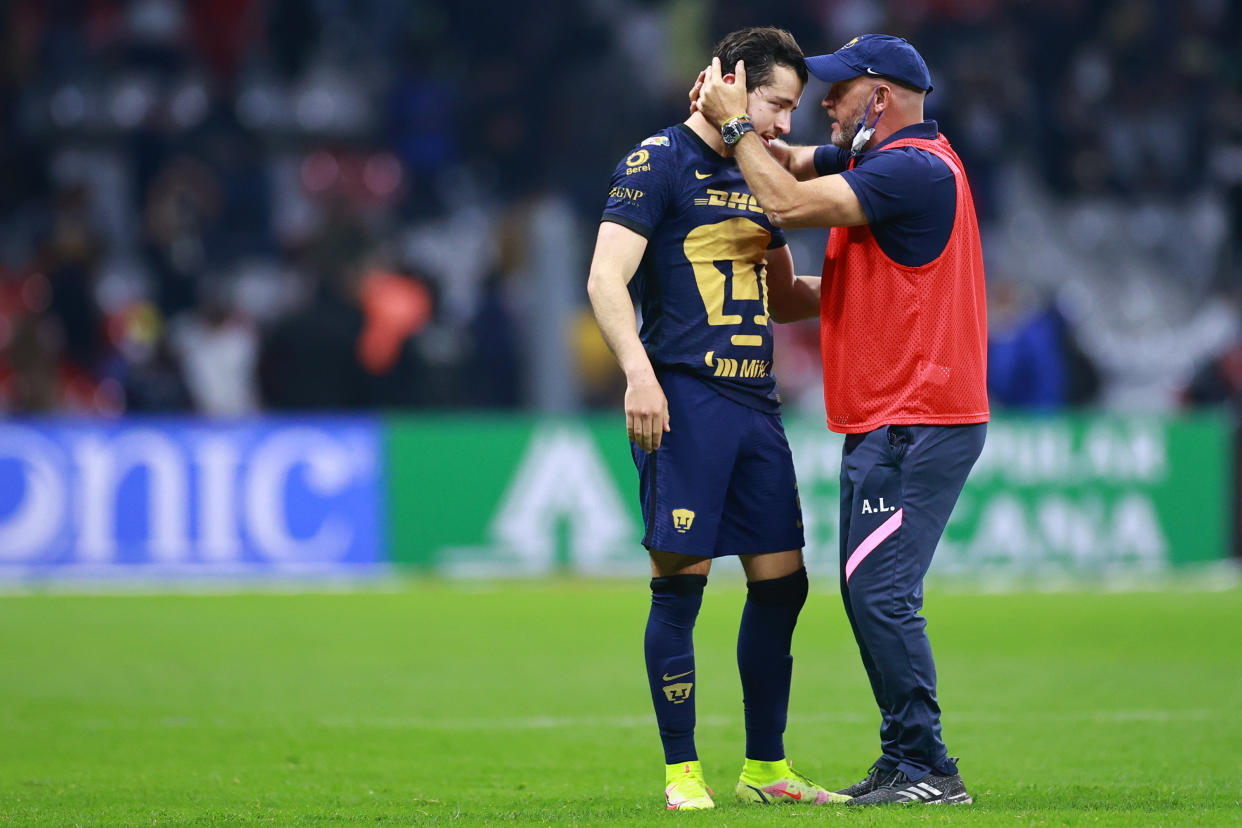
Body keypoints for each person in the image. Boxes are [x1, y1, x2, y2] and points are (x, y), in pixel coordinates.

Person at [696, 33, 989, 806]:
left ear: (880, 97)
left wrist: (733, 129)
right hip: (895, 417)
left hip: (916, 418)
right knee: (869, 592)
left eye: (837, 89)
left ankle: (929, 767)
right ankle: (904, 759)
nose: (823, 102)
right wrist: (746, 129)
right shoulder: (890, 163)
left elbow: (785, 200)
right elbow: (786, 169)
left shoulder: (910, 170)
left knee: (880, 593)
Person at [586, 26, 845, 812]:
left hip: (755, 403)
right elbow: (605, 278)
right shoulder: (656, 161)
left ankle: (766, 768)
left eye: (793, 110)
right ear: (730, 79)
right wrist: (639, 375)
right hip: (685, 401)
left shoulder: (756, 170)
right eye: (775, 103)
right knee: (679, 589)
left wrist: (872, 288)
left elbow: (782, 292)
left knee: (783, 587)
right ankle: (681, 774)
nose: (784, 123)